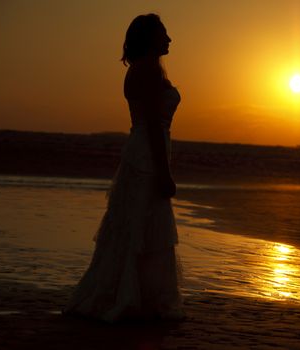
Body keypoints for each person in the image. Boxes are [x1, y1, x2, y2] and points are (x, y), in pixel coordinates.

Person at [62, 13, 184, 323]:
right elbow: (156, 128)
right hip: (146, 153)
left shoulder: (144, 70)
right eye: (163, 34)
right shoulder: (146, 73)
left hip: (142, 149)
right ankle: (134, 298)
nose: (169, 39)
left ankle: (139, 294)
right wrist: (165, 172)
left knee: (138, 222)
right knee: (142, 222)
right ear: (149, 38)